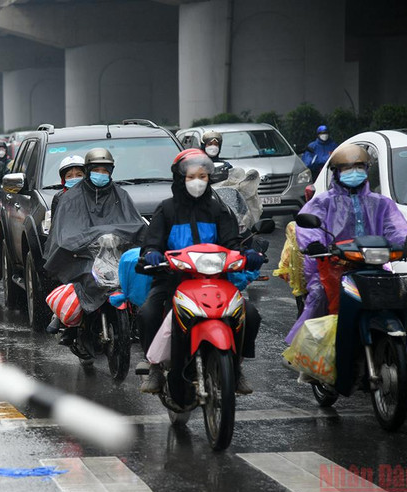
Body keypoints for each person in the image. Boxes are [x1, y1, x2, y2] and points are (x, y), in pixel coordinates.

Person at [138, 149, 264, 394]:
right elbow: (152, 242)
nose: (197, 181)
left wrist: (246, 253)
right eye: (192, 176)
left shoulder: (219, 210)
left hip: (216, 280)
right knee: (148, 313)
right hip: (173, 279)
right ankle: (155, 367)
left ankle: (236, 368)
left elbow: (232, 243)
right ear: (180, 178)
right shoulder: (166, 209)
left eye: (203, 176)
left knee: (250, 314)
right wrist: (152, 252)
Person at [285, 144, 407, 357]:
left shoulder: (382, 203)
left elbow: (396, 227)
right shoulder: (323, 201)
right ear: (337, 172)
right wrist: (314, 243)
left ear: (367, 170)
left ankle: (406, 353)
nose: (354, 172)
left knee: (398, 296)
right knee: (320, 296)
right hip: (332, 266)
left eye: (359, 167)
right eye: (348, 168)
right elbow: (310, 227)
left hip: (373, 264)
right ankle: (308, 354)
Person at [43, 148, 146, 346]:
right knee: (79, 281)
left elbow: (134, 223)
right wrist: (83, 242)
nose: (101, 174)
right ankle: (73, 326)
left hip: (114, 253)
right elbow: (65, 231)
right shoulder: (70, 197)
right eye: (96, 170)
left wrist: (124, 237)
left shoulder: (121, 195)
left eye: (104, 171)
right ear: (89, 171)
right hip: (85, 255)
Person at [45, 154, 87, 335]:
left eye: (79, 174)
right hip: (70, 247)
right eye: (70, 176)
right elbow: (56, 227)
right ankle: (61, 313)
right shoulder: (59, 198)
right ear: (63, 179)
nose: (74, 178)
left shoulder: (95, 194)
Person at [273, 221, 307, 316]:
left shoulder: (296, 229)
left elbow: (287, 253)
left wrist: (284, 268)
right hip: (308, 277)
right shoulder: (296, 229)